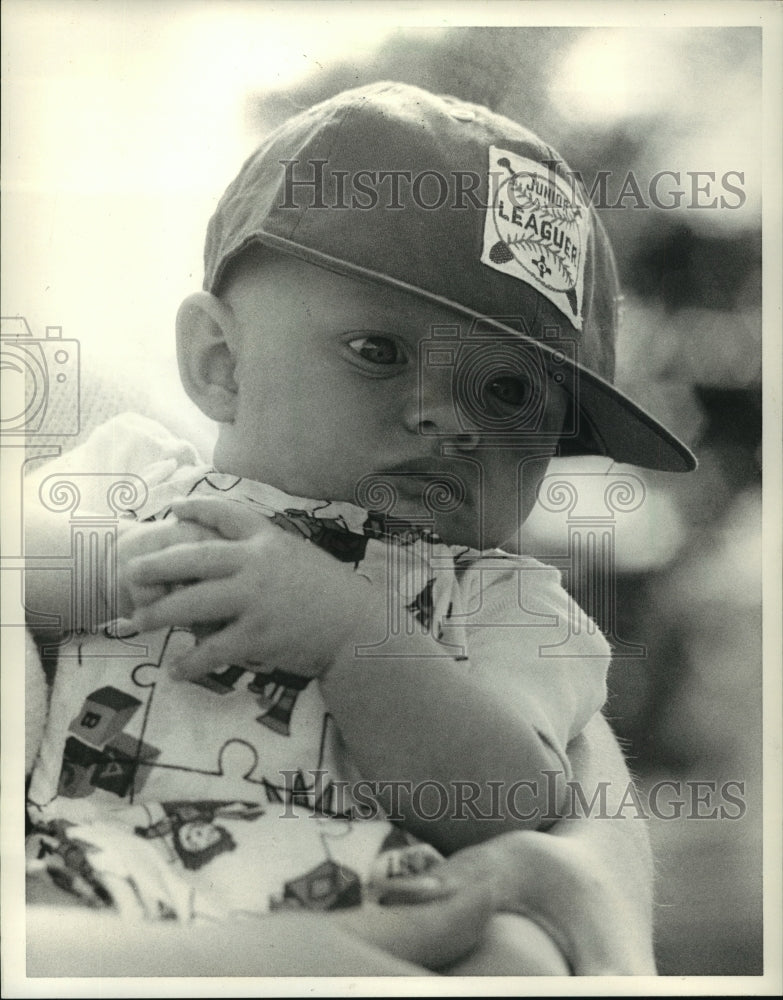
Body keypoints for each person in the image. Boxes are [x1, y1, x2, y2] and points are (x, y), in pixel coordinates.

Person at [24, 81, 693, 974]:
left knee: (519, 959)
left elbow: (506, 801)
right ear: (221, 365)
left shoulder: (508, 604)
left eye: (506, 391)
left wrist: (354, 638)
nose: (452, 420)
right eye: (379, 352)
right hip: (90, 882)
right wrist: (127, 566)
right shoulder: (136, 477)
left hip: (373, 908)